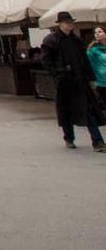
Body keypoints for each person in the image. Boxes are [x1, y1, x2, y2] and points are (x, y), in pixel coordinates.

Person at [41, 12, 105, 151]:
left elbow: (85, 61)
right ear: (60, 24)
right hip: (65, 82)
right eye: (67, 22)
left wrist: (91, 78)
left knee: (89, 110)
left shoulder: (76, 40)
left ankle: (98, 141)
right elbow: (46, 61)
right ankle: (69, 138)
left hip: (80, 81)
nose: (70, 25)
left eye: (71, 22)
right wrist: (57, 74)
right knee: (66, 111)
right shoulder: (51, 40)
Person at [89, 26, 106, 108]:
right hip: (101, 82)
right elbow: (88, 65)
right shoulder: (93, 50)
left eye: (100, 31)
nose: (97, 34)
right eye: (95, 33)